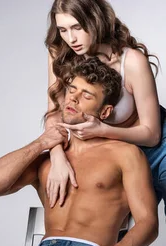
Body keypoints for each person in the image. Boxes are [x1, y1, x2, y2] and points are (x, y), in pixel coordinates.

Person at [0, 58, 158, 246]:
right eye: (71, 90)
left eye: (86, 95)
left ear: (104, 112)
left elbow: (148, 223)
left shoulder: (125, 154)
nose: (72, 99)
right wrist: (42, 143)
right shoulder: (48, 157)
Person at [45, 0, 164, 208]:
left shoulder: (132, 61)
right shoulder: (60, 54)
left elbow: (152, 134)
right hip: (112, 151)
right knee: (106, 229)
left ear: (95, 20)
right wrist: (57, 158)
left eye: (77, 27)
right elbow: (54, 114)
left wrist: (102, 129)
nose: (71, 38)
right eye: (63, 30)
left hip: (158, 149)